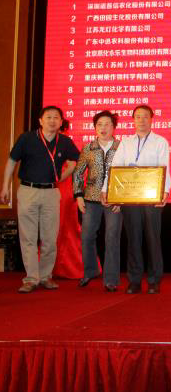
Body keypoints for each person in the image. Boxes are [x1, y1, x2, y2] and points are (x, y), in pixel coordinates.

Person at [1, 106, 80, 293]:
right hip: (28, 190)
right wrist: (5, 187)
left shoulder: (65, 142)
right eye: (48, 117)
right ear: (40, 121)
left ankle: (45, 277)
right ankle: (31, 279)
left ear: (61, 122)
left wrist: (61, 177)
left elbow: (76, 162)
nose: (52, 121)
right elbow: (12, 161)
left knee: (50, 237)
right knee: (28, 237)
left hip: (51, 193)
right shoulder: (27, 138)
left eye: (56, 118)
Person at [102, 104, 171, 294]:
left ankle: (154, 280)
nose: (141, 120)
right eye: (138, 117)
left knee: (153, 238)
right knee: (133, 238)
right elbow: (115, 168)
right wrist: (107, 190)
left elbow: (164, 167)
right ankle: (134, 280)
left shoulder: (160, 142)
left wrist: (165, 192)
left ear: (151, 119)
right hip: (130, 197)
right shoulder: (126, 143)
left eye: (145, 116)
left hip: (152, 197)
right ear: (133, 120)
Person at [72, 110, 121, 291]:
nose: (103, 128)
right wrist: (78, 195)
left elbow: (128, 174)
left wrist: (121, 200)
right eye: (99, 124)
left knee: (112, 237)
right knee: (87, 236)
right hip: (91, 198)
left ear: (114, 127)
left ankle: (111, 279)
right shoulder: (88, 148)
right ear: (94, 127)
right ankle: (90, 272)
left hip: (114, 200)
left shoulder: (122, 147)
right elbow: (78, 173)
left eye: (107, 124)